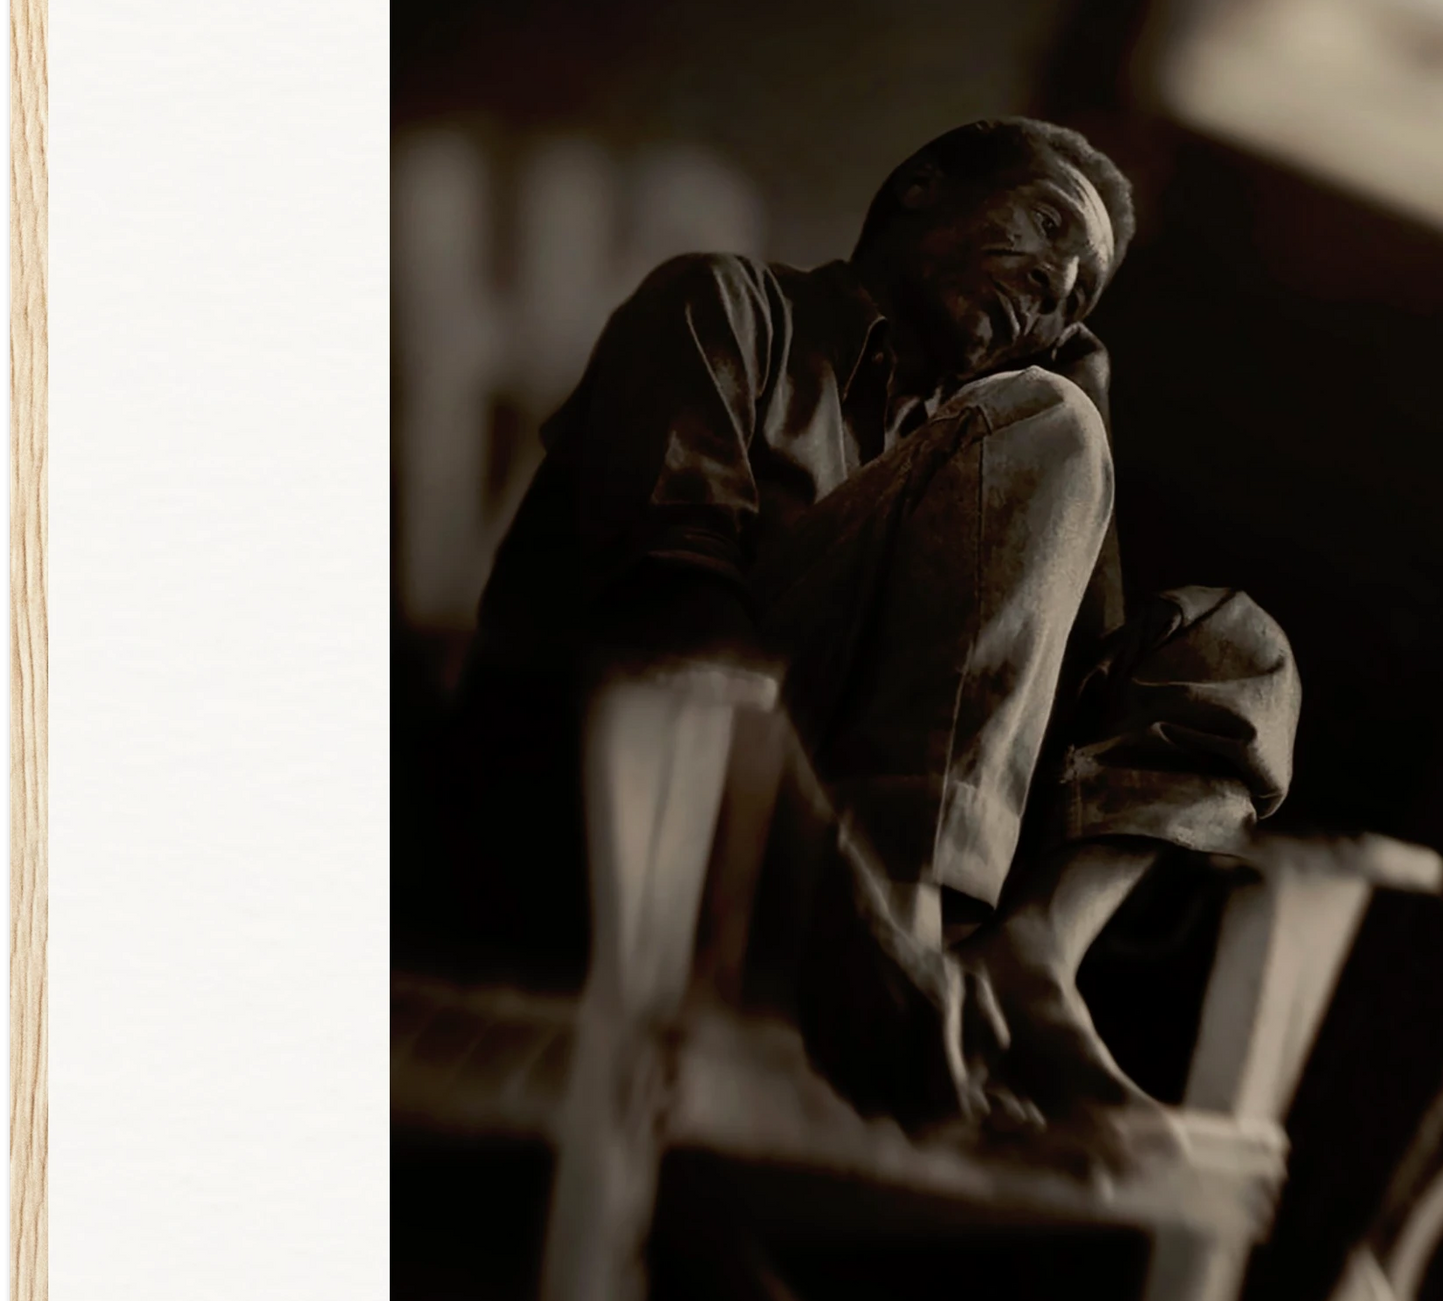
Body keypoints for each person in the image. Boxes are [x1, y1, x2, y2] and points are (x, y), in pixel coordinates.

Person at [454, 117, 1300, 1164]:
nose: (1053, 281)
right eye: (1044, 226)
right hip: (618, 812)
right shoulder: (725, 306)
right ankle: (906, 922)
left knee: (1235, 646)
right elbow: (671, 621)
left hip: (845, 873)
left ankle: (1031, 954)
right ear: (919, 188)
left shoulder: (999, 441)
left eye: (1078, 293)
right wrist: (862, 917)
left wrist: (1087, 425)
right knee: (1034, 432)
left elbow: (1053, 721)